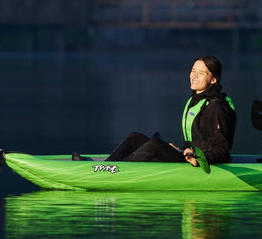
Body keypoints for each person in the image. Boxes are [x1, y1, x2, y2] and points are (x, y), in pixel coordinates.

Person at [75, 55, 236, 165]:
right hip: (188, 156)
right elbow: (200, 139)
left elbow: (222, 149)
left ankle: (114, 173)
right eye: (193, 71)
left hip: (200, 163)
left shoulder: (216, 107)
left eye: (201, 73)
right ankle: (108, 166)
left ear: (213, 80)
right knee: (135, 137)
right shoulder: (196, 100)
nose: (194, 76)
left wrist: (199, 158)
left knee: (156, 144)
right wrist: (180, 149)